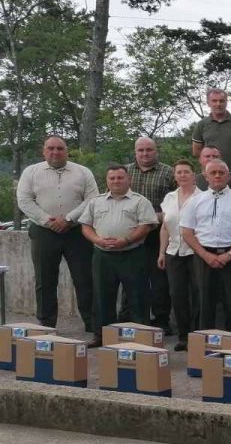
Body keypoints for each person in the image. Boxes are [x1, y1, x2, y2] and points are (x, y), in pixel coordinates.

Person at [17, 135, 100, 332]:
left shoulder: (83, 172)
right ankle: (46, 324)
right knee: (44, 280)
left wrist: (69, 219)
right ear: (43, 151)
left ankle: (92, 323)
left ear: (66, 150)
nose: (55, 152)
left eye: (60, 148)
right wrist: (48, 220)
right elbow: (24, 200)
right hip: (43, 232)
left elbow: (92, 199)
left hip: (78, 232)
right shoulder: (31, 172)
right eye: (51, 148)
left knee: (85, 278)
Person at [77, 165, 159, 346]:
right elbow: (86, 226)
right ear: (107, 181)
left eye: (120, 178)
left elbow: (145, 226)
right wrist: (97, 240)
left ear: (128, 179)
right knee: (101, 297)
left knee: (138, 297)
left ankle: (142, 338)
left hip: (132, 254)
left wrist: (126, 240)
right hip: (103, 256)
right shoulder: (96, 202)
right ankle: (101, 336)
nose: (116, 181)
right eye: (112, 178)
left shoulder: (139, 201)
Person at [180, 160, 231, 333]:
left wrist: (230, 254)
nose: (217, 176)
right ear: (205, 176)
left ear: (228, 175)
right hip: (203, 258)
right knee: (204, 303)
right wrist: (206, 255)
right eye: (213, 172)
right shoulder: (195, 201)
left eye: (221, 172)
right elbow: (186, 232)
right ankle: (204, 347)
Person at [125, 137, 176, 331]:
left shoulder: (168, 173)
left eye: (149, 150)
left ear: (156, 151)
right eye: (141, 150)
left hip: (158, 233)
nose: (145, 154)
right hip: (131, 233)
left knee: (159, 279)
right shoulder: (125, 172)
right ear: (135, 152)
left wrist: (156, 217)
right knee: (130, 276)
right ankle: (131, 317)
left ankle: (162, 320)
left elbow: (178, 204)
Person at [158, 160, 199, 350]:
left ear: (193, 174)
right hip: (173, 251)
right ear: (174, 176)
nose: (182, 175)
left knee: (198, 294)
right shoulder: (169, 198)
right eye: (179, 172)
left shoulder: (203, 197)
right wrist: (161, 252)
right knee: (177, 294)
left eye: (186, 172)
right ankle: (183, 336)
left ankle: (197, 335)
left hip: (196, 252)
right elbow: (165, 227)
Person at [191, 88, 231, 183]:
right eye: (214, 101)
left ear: (226, 102)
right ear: (208, 103)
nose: (218, 104)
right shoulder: (202, 125)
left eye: (221, 101)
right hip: (210, 178)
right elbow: (197, 152)